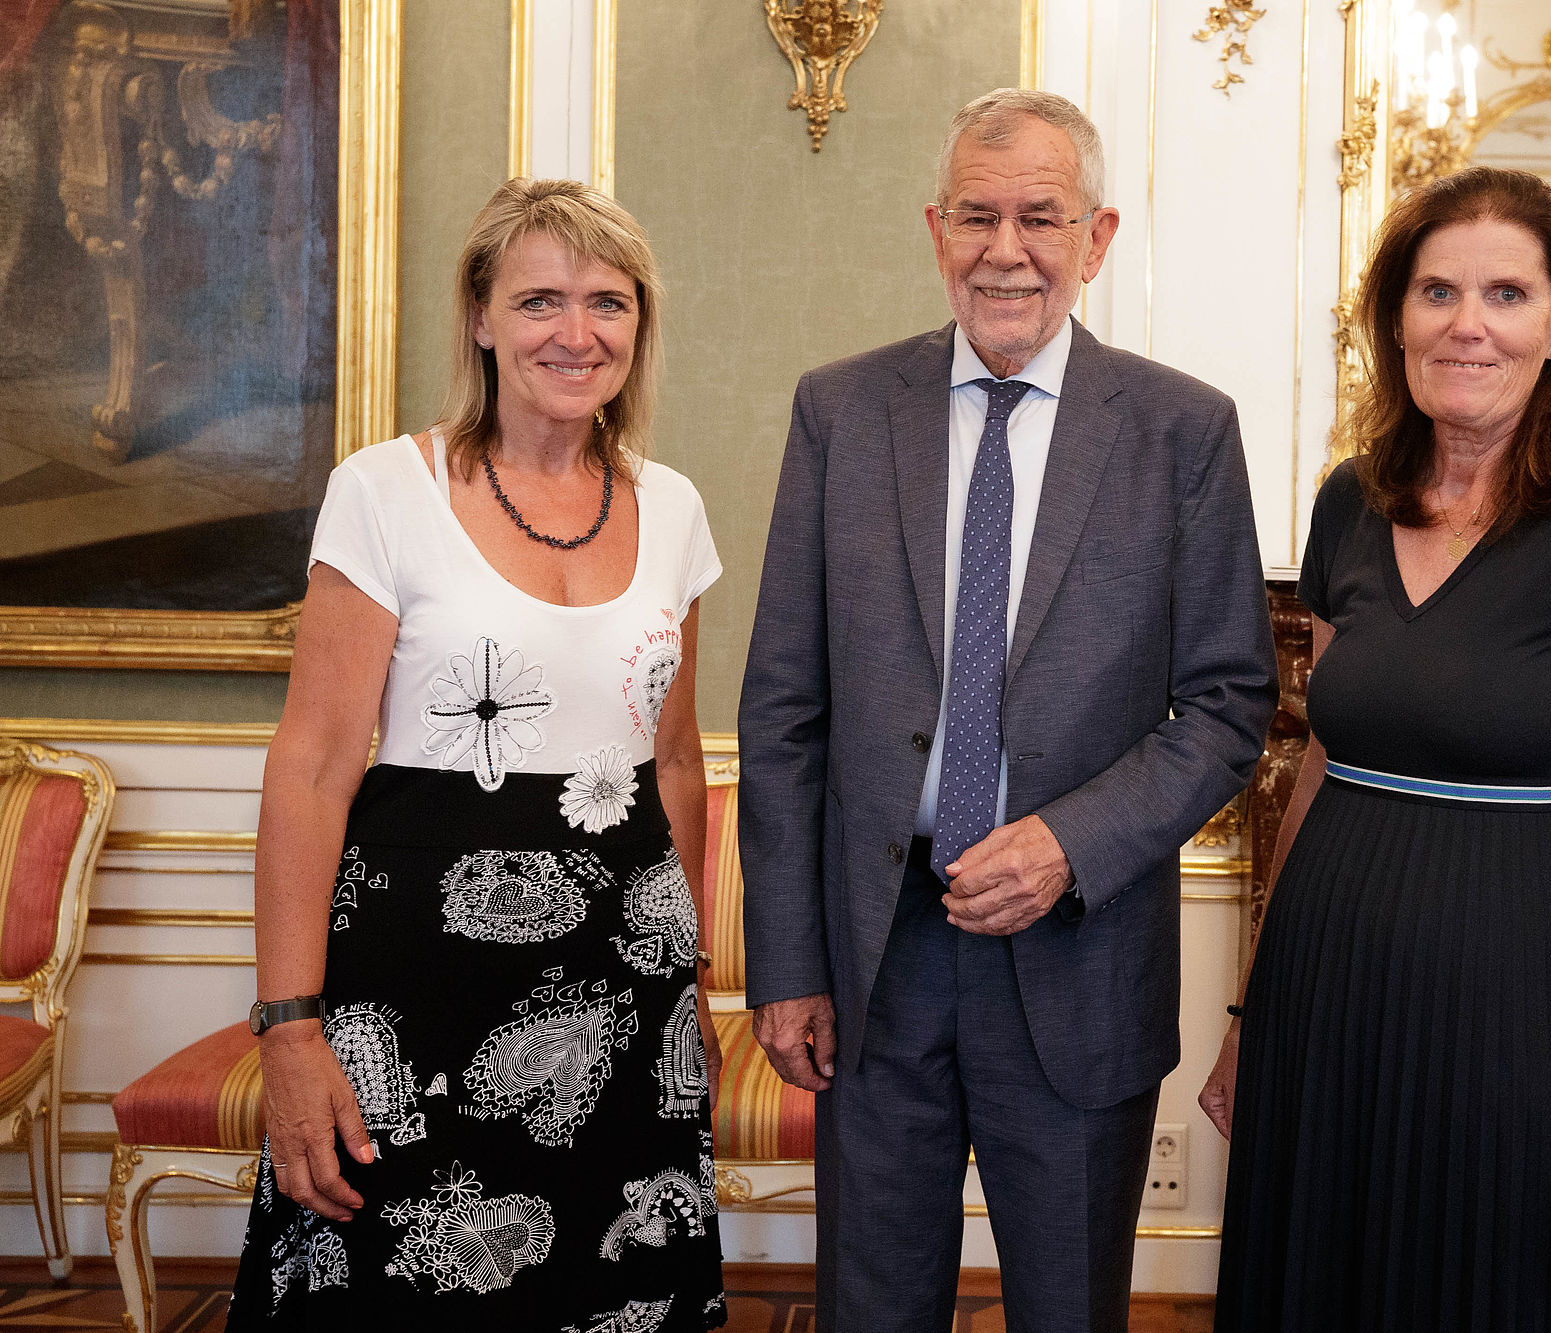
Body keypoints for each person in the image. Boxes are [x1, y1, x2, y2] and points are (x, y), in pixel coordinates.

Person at [737, 88, 1278, 1332]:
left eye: (1040, 216)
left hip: (1077, 949)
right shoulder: (839, 411)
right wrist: (790, 961)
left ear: (1097, 238)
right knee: (872, 1306)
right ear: (935, 231)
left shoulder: (1181, 431)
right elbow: (783, 709)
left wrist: (1065, 844)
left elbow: (1227, 704)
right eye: (976, 216)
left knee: (1067, 1307)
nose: (1005, 249)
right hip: (877, 957)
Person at [1202, 166, 1551, 1330]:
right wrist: (1248, 1015)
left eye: (1504, 294)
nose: (1464, 324)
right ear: (1395, 319)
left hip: (1517, 999)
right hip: (1322, 996)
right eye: (1435, 291)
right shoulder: (1350, 498)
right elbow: (1319, 765)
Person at [230, 179, 727, 1331]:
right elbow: (311, 767)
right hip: (412, 990)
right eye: (540, 299)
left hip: (628, 990)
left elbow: (675, 762)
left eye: (607, 302)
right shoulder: (383, 491)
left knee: (608, 1293)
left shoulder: (674, 507)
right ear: (481, 316)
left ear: (638, 324)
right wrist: (290, 1027)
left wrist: (691, 982)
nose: (576, 332)